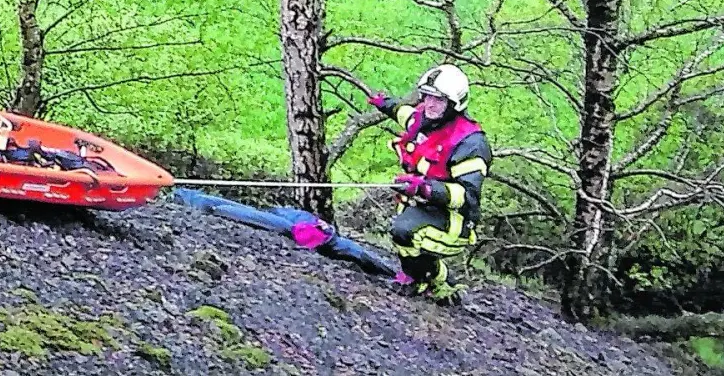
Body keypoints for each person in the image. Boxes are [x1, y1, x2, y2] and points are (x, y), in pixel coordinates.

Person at [368, 63, 491, 302]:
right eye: (427, 96)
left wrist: (426, 189)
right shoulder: (422, 118)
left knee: (404, 233)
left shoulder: (470, 143)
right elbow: (403, 113)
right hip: (422, 203)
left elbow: (467, 197)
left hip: (453, 218)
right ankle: (425, 278)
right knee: (404, 233)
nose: (430, 104)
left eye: (439, 100)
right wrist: (385, 104)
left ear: (454, 104)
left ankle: (433, 279)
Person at [174, 188, 397, 278]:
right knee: (250, 214)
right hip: (294, 222)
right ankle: (191, 197)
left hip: (296, 224)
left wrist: (391, 274)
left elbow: (365, 257)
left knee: (251, 214)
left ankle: (193, 198)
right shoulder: (301, 225)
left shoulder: (334, 240)